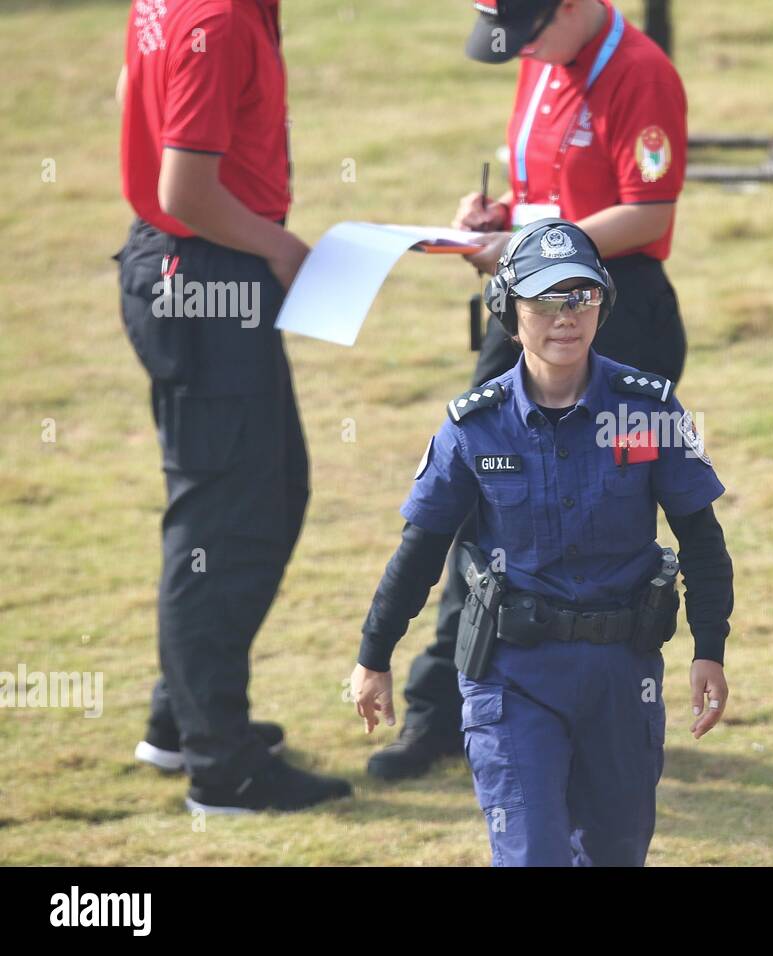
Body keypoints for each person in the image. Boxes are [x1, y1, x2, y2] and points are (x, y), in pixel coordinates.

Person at [368, 0, 692, 778]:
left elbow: (649, 211)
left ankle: (605, 707)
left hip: (613, 313)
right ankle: (444, 706)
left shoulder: (642, 74)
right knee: (475, 507)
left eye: (531, 32)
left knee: (606, 515)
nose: (527, 53)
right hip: (527, 310)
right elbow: (552, 195)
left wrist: (521, 250)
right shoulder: (542, 58)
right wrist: (498, 219)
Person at [351, 220, 733, 865]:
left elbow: (700, 536)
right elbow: (420, 549)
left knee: (616, 851)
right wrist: (374, 655)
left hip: (622, 674)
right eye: (545, 300)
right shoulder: (473, 426)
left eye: (581, 297)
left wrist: (710, 648)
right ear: (508, 311)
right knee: (533, 853)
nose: (566, 318)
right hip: (513, 675)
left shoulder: (649, 410)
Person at [116, 0, 350, 812]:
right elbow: (184, 186)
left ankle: (185, 718)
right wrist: (281, 245)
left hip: (199, 268)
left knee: (267, 495)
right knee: (224, 521)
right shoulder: (221, 19)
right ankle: (222, 764)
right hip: (205, 279)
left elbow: (129, 88)